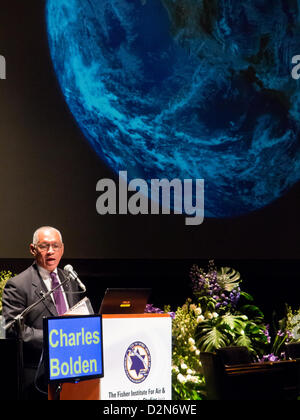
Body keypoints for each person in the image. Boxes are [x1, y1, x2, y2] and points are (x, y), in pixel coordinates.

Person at [2, 226, 82, 399]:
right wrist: (55, 338)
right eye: (44, 246)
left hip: (73, 367)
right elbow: (13, 329)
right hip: (38, 375)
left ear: (62, 249)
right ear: (33, 249)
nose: (51, 251)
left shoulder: (69, 280)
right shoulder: (18, 285)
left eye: (56, 246)